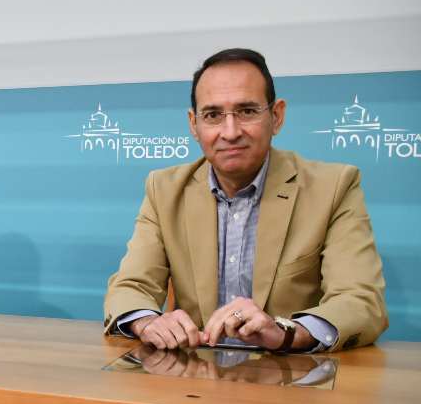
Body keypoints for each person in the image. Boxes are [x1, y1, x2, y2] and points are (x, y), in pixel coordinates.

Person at [104, 48, 388, 352]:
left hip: (290, 380)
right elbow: (130, 286)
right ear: (193, 125)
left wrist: (286, 333)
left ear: (276, 116)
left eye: (247, 111)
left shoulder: (333, 187)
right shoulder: (164, 189)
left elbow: (361, 301)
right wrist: (149, 322)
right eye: (213, 115)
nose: (230, 131)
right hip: (195, 382)